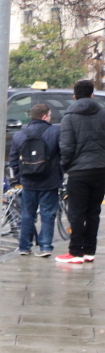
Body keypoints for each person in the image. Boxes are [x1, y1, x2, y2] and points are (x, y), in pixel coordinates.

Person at [57, 79, 105, 263]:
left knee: (76, 212)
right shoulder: (103, 113)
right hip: (101, 169)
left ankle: (75, 251)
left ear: (74, 95)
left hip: (78, 171)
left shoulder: (69, 117)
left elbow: (66, 147)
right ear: (93, 94)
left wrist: (65, 166)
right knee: (93, 212)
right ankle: (89, 251)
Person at [8, 102, 61, 257]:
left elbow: (13, 159)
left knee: (27, 214)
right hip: (49, 181)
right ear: (44, 116)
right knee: (48, 214)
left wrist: (20, 176)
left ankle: (25, 246)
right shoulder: (55, 132)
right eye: (50, 115)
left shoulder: (20, 135)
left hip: (28, 181)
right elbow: (64, 153)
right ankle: (45, 247)